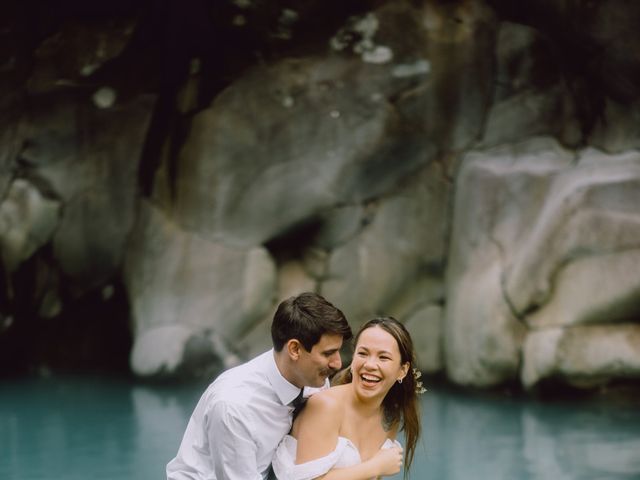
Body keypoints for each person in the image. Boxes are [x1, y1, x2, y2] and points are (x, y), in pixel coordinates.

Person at [166, 292, 353, 480]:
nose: (337, 363)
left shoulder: (315, 381)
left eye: (338, 351)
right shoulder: (234, 406)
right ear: (295, 349)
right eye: (328, 353)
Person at [272, 316, 422, 480]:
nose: (370, 365)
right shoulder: (325, 406)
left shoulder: (390, 416)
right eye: (363, 354)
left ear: (403, 370)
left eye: (383, 357)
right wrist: (375, 467)